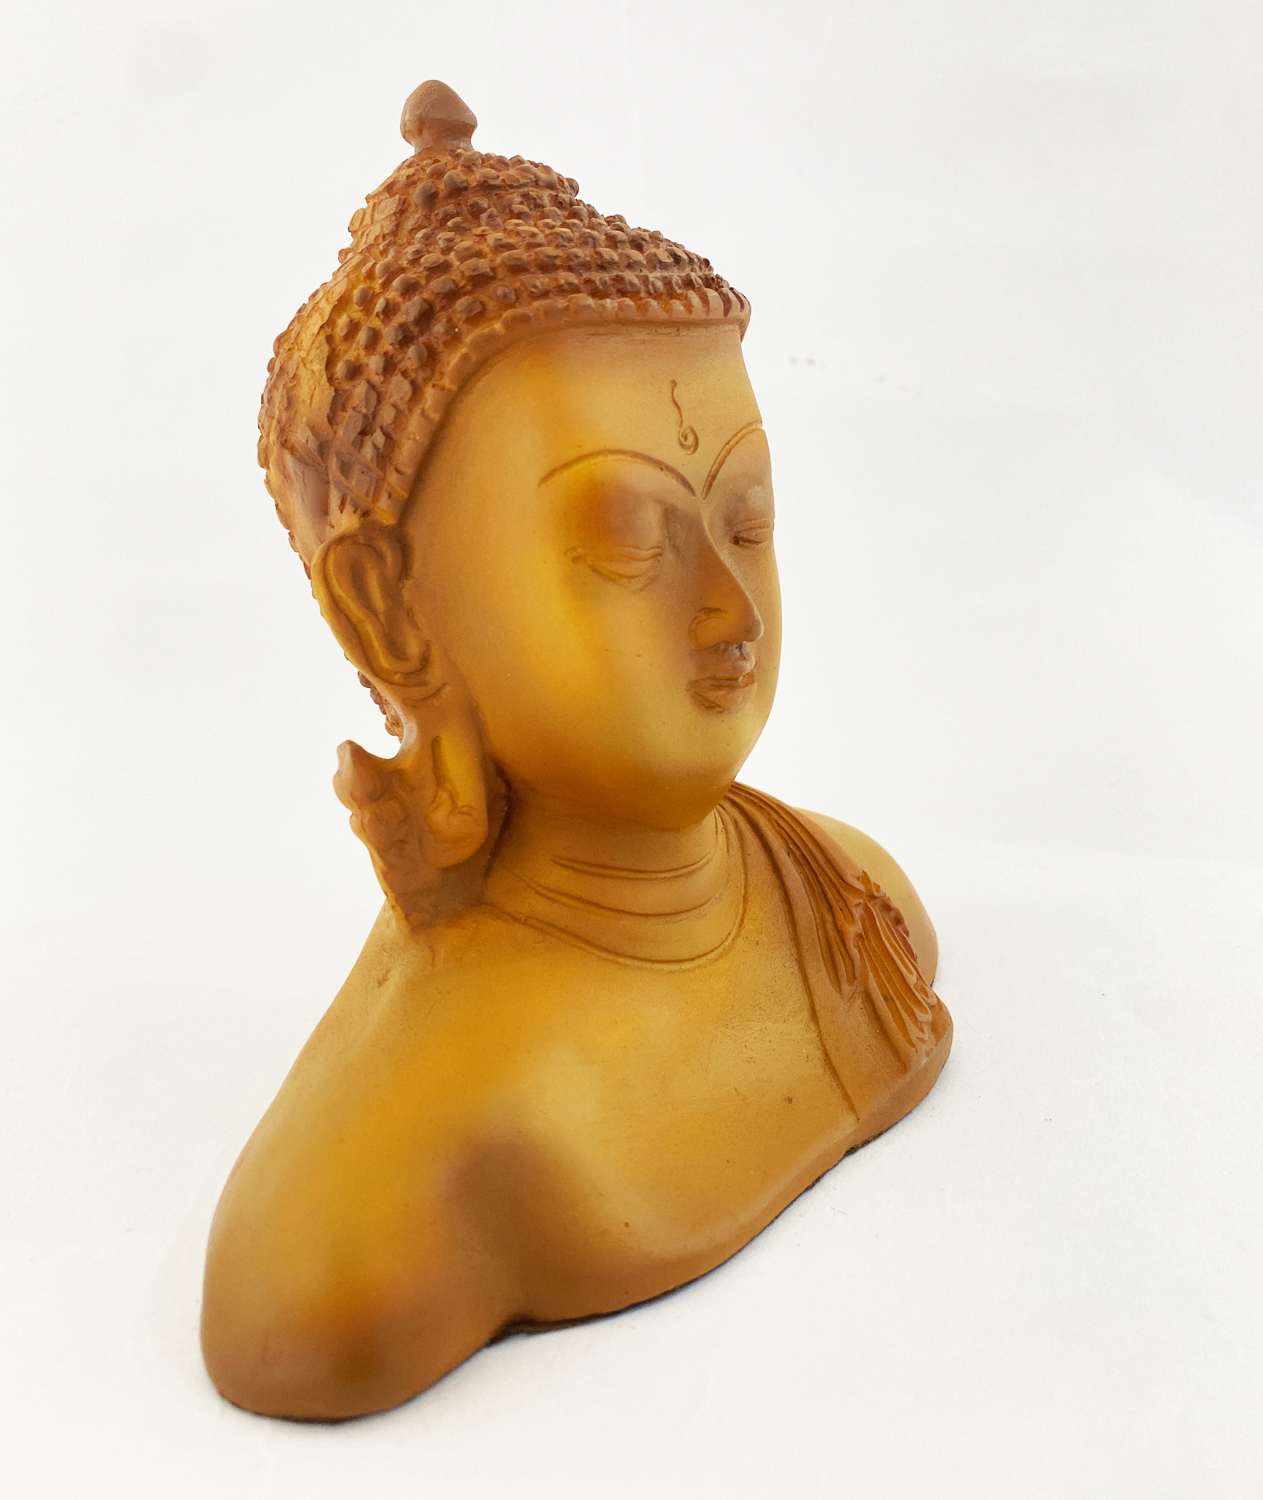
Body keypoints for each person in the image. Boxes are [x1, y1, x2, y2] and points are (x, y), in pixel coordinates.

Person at [201, 80, 952, 1420]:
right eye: (628, 541)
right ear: (392, 611)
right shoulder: (390, 1195)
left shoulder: (846, 901)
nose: (729, 610)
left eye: (747, 520)